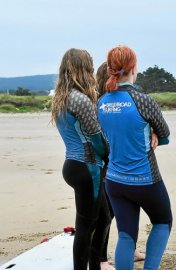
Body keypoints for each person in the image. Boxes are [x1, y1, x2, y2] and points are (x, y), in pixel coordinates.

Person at [97, 45, 172, 270]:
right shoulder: (142, 100)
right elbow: (166, 136)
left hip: (114, 180)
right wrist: (154, 133)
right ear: (132, 68)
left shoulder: (102, 102)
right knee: (162, 221)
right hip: (144, 178)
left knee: (126, 235)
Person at [51, 48, 111, 270]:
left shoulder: (61, 98)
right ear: (83, 67)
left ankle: (94, 266)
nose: (93, 68)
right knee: (86, 224)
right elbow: (97, 139)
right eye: (90, 64)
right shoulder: (81, 100)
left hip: (72, 166)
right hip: (89, 168)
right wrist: (111, 155)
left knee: (103, 218)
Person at [95, 62, 146, 270]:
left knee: (129, 210)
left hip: (124, 163)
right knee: (106, 214)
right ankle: (101, 259)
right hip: (107, 165)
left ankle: (131, 249)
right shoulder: (101, 103)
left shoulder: (123, 98)